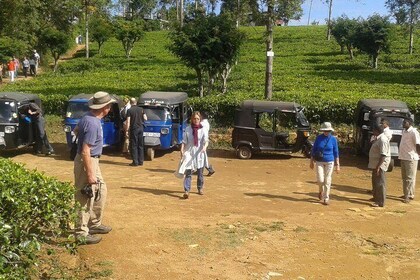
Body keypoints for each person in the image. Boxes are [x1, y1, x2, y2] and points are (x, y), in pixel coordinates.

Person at [73, 91, 116, 245]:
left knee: (101, 190)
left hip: (91, 160)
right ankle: (81, 232)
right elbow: (86, 150)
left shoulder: (88, 117)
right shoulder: (92, 123)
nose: (110, 107)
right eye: (109, 105)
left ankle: (94, 224)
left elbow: (76, 130)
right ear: (105, 108)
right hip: (88, 161)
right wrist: (90, 174)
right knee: (85, 195)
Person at [310, 122, 340, 205]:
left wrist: (337, 165)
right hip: (319, 161)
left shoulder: (333, 139)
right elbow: (314, 150)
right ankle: (321, 191)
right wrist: (311, 161)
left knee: (327, 180)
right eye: (325, 130)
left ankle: (326, 198)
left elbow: (336, 152)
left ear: (330, 130)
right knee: (320, 180)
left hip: (330, 161)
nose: (326, 132)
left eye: (328, 130)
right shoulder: (319, 138)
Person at [180, 111, 209, 199]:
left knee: (200, 172)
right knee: (188, 172)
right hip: (189, 152)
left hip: (200, 152)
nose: (196, 120)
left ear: (200, 120)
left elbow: (206, 141)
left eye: (198, 119)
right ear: (192, 119)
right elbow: (184, 141)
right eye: (194, 118)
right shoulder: (188, 129)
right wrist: (181, 150)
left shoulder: (203, 129)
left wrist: (204, 147)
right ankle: (186, 190)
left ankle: (200, 188)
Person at [398, 118, 420, 203]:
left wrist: (418, 154)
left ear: (410, 123)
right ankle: (408, 194)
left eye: (405, 122)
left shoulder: (414, 132)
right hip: (403, 157)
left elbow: (418, 144)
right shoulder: (404, 131)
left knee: (409, 178)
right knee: (405, 178)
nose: (403, 123)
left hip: (411, 158)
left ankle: (407, 196)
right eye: (403, 122)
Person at [368, 124, 391, 208]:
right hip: (375, 164)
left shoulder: (383, 139)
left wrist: (378, 166)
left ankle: (380, 201)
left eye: (373, 130)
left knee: (380, 182)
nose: (372, 132)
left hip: (380, 164)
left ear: (377, 131)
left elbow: (383, 155)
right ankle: (376, 197)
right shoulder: (378, 138)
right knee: (375, 181)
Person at [126, 98, 147, 166]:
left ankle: (135, 162)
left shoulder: (129, 110)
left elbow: (128, 121)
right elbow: (145, 118)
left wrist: (127, 130)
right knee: (140, 145)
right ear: (136, 102)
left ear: (130, 103)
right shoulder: (141, 109)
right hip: (141, 128)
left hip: (134, 129)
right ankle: (141, 161)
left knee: (134, 145)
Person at [200, 111, 215, 176]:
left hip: (201, 142)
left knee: (202, 157)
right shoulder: (206, 123)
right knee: (201, 156)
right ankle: (199, 170)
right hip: (203, 141)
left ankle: (209, 169)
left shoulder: (202, 124)